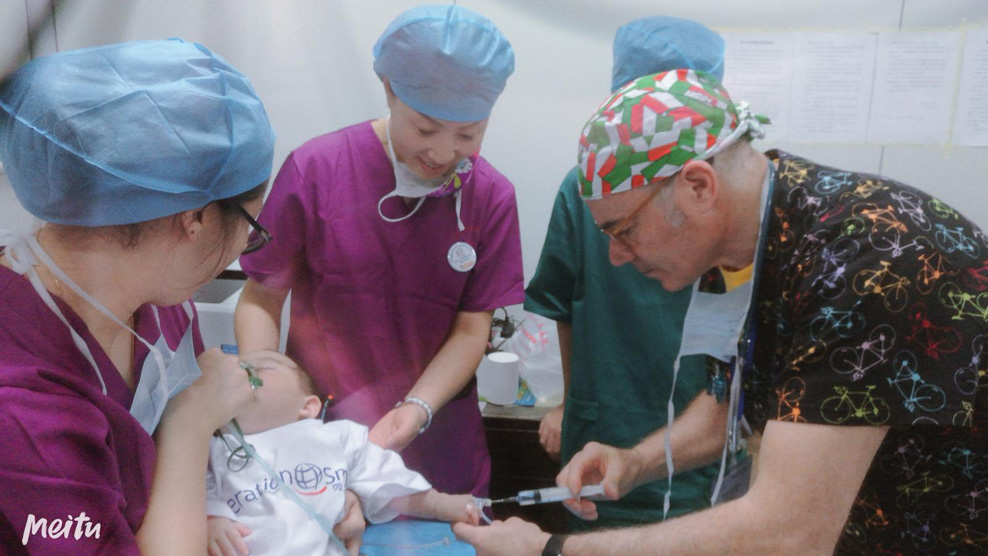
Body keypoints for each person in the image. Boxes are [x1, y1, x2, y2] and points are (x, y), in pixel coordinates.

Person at [455, 70, 988, 555]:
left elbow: (790, 531)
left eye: (623, 230)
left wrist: (551, 550)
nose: (615, 257)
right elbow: (725, 402)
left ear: (697, 186)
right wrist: (636, 462)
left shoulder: (867, 262)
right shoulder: (736, 249)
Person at [0, 39, 281, 555]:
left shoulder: (161, 298)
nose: (247, 244)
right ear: (194, 218)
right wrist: (191, 424)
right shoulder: (21, 406)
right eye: (250, 225)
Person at [234, 4, 523, 499]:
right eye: (426, 129)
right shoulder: (318, 169)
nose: (441, 152)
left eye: (468, 135)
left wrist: (418, 408)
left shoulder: (491, 197)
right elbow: (262, 298)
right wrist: (267, 402)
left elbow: (473, 328)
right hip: (318, 430)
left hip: (438, 440)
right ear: (389, 88)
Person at [525, 16, 738, 530]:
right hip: (606, 421)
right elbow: (563, 304)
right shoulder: (583, 192)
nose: (621, 253)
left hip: (703, 429)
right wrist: (571, 403)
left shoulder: (740, 212)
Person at [205, 351, 479, 556]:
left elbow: (385, 480)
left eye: (260, 368)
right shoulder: (215, 449)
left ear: (309, 407)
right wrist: (211, 519)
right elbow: (193, 491)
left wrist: (442, 505)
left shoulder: (334, 437)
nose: (242, 373)